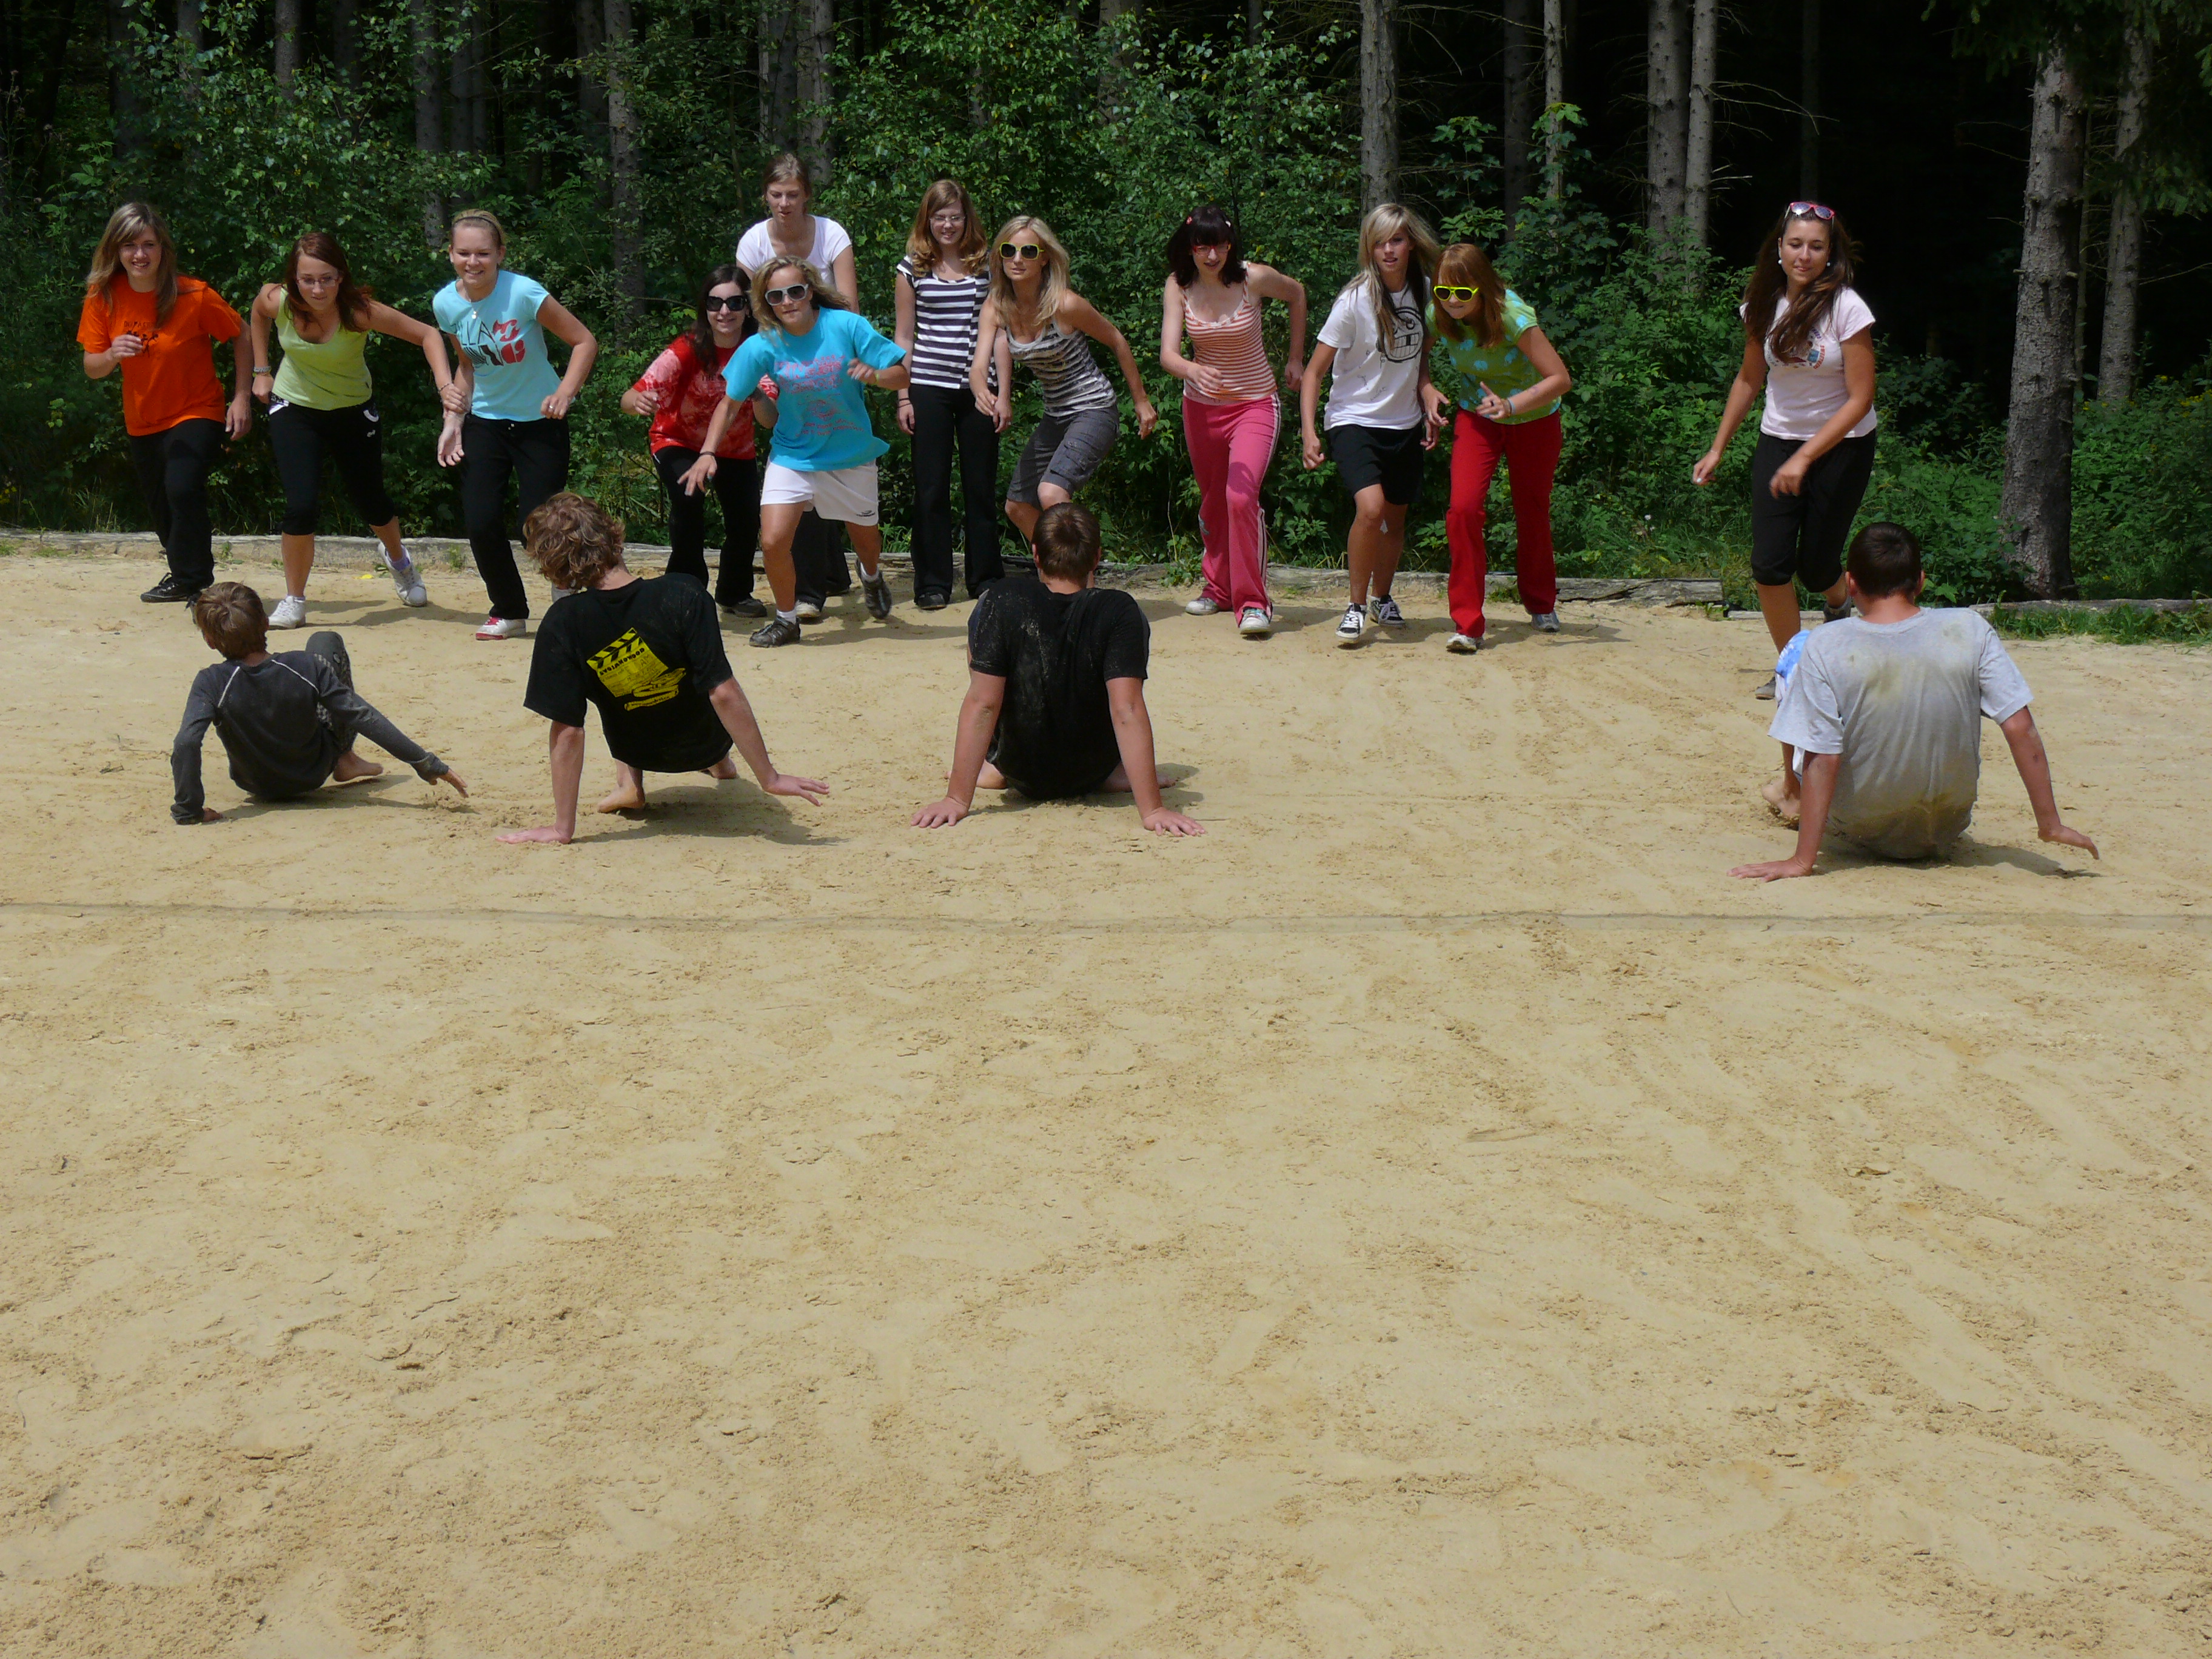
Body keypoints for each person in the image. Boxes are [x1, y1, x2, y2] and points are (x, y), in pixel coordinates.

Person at [1731, 522, 2097, 881]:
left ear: (1851, 583)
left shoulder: (1827, 644)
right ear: (1920, 581)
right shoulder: (1970, 628)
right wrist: (2050, 823)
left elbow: (1823, 756)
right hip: (1947, 822)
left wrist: (1802, 860)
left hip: (1861, 822)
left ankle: (1791, 796)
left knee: (1794, 652)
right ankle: (1796, 794)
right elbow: (2019, 726)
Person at [503, 494, 826, 843]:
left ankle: (629, 783)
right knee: (695, 673)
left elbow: (568, 731)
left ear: (556, 569)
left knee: (621, 683)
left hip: (636, 748)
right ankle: (720, 763)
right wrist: (769, 777)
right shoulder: (683, 592)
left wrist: (562, 828)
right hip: (707, 743)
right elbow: (723, 692)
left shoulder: (562, 622)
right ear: (614, 537)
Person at [912, 502, 1203, 836]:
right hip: (1092, 770)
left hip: (1020, 768)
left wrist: (956, 799)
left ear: (1036, 555)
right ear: (1096, 558)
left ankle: (994, 766)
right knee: (1124, 645)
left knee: (984, 618)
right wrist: (1153, 809)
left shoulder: (1002, 599)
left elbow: (984, 702)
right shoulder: (1120, 610)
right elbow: (1127, 708)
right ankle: (1116, 772)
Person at [1694, 201, 1878, 696]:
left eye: (1816, 246)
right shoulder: (1762, 304)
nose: (1804, 255)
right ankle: (1795, 671)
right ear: (1779, 247)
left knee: (1817, 567)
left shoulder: (1847, 308)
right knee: (1770, 565)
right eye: (1795, 244)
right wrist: (1717, 448)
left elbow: (1861, 399)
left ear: (1830, 253)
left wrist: (1807, 456)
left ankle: (1838, 602)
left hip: (1844, 447)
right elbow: (1749, 378)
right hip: (1779, 440)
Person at [679, 258, 910, 648]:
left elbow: (902, 372)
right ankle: (786, 620)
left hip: (850, 454)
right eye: (776, 296)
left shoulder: (846, 326)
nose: (787, 301)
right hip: (793, 454)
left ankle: (871, 576)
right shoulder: (762, 345)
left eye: (795, 291)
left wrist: (875, 375)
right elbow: (730, 403)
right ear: (766, 303)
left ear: (811, 291)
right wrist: (707, 452)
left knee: (867, 542)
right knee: (772, 541)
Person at [248, 232, 454, 628]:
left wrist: (446, 387)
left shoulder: (359, 312)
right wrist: (261, 370)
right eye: (308, 280)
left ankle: (399, 561)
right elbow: (257, 314)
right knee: (301, 505)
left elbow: (428, 335)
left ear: (341, 277)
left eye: (326, 279)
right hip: (295, 407)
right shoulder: (278, 301)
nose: (317, 289)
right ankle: (294, 599)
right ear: (294, 279)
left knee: (371, 501)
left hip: (352, 411)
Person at [432, 208, 600, 640]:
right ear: (450, 254)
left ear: (500, 254)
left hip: (540, 421)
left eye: (483, 254)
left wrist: (565, 393)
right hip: (486, 421)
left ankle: (566, 591)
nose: (473, 262)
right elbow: (467, 365)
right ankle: (508, 610)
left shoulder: (523, 293)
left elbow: (584, 341)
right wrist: (453, 420)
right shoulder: (446, 303)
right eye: (464, 253)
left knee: (539, 522)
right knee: (481, 521)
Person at [170, 582, 468, 823]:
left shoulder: (210, 682)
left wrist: (189, 809)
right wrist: (424, 762)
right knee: (325, 640)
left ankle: (343, 759)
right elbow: (360, 714)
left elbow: (187, 742)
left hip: (255, 784)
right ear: (266, 623)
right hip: (313, 774)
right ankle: (345, 757)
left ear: (210, 641)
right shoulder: (305, 667)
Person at [76, 202, 252, 604]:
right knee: (162, 505)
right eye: (130, 246)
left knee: (182, 488)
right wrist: (112, 354)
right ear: (115, 251)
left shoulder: (193, 294)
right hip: (143, 418)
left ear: (163, 249)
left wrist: (242, 397)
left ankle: (198, 582)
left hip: (197, 410)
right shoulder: (103, 297)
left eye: (149, 245)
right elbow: (92, 366)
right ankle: (183, 577)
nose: (140, 254)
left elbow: (241, 333)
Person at [1299, 203, 1446, 649]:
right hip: (1354, 419)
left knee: (1396, 519)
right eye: (1379, 242)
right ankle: (1356, 605)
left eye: (1396, 240)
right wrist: (1309, 432)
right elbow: (1313, 373)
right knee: (1371, 510)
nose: (1388, 250)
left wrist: (1427, 391)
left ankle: (1383, 597)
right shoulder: (1354, 301)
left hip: (1404, 424)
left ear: (1411, 244)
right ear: (1369, 248)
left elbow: (1421, 357)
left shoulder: (1426, 291)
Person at [1159, 203, 1306, 640]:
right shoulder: (1178, 285)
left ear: (1230, 245)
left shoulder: (1252, 278)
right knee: (1213, 501)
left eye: (1220, 246)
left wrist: (1296, 359)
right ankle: (1219, 588)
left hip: (1255, 405)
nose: (1212, 256)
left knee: (1240, 498)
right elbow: (1168, 354)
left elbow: (1298, 294)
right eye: (1202, 246)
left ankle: (1254, 602)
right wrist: (1192, 369)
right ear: (1189, 247)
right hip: (1201, 409)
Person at [971, 215, 1159, 553]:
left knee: (1051, 492)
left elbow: (1116, 340)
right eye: (1009, 250)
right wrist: (984, 392)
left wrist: (1141, 401)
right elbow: (978, 367)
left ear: (1044, 258)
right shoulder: (997, 307)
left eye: (1028, 251)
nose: (1017, 259)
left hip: (1094, 408)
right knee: (1018, 506)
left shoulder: (1064, 304)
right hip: (1056, 415)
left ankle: (1082, 568)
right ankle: (1058, 564)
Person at [1429, 240, 1574, 653]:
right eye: (1443, 291)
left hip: (1534, 418)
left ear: (1483, 287)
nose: (1452, 300)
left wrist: (1511, 405)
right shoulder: (1439, 314)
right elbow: (1417, 354)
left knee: (1532, 508)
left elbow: (1560, 379)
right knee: (1463, 509)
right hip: (1478, 417)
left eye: (1462, 291)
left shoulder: (1512, 316)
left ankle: (1541, 603)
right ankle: (1468, 624)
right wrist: (1425, 387)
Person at [736, 152, 856, 618]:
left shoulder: (832, 234)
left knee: (828, 465)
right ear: (766, 196)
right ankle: (813, 588)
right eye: (776, 195)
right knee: (800, 462)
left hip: (831, 359)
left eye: (792, 194)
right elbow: (751, 313)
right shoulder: (753, 243)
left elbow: (848, 306)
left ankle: (826, 575)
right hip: (778, 358)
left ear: (807, 195)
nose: (784, 203)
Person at [622, 264, 766, 619]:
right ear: (705, 308)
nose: (724, 312)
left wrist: (760, 394)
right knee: (689, 499)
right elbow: (629, 397)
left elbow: (770, 419)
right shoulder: (688, 348)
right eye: (715, 303)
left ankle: (734, 592)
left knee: (746, 519)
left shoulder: (760, 350)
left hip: (735, 449)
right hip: (677, 441)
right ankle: (684, 590)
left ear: (748, 308)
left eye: (735, 303)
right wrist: (639, 401)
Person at [894, 179, 1010, 608]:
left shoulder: (989, 265)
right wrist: (903, 396)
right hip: (928, 386)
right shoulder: (911, 269)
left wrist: (1003, 392)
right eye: (940, 217)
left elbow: (1001, 333)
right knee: (931, 488)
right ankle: (932, 583)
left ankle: (986, 578)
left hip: (980, 389)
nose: (948, 225)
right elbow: (904, 336)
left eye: (955, 217)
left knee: (980, 486)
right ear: (927, 220)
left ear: (967, 219)